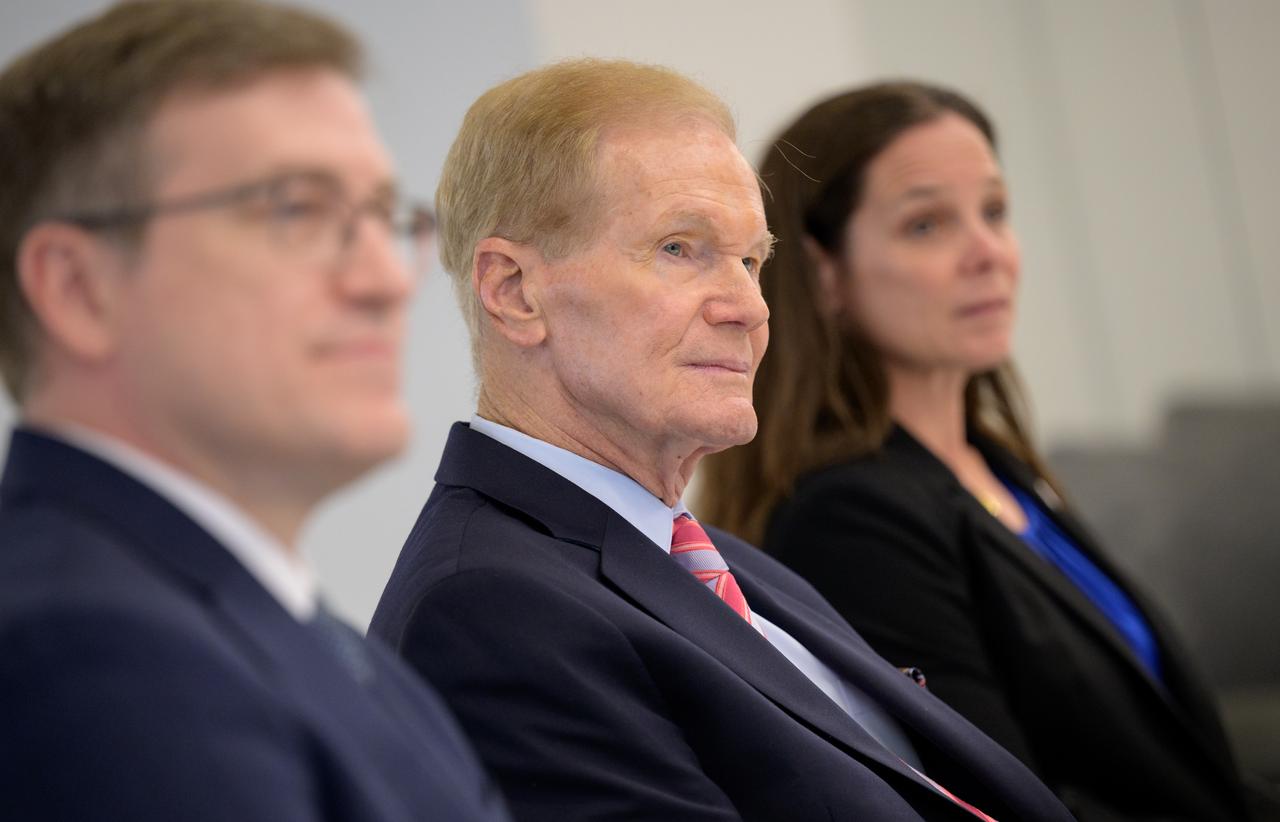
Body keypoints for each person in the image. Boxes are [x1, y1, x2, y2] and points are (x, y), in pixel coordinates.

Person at [370, 59, 1072, 821]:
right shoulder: (488, 609)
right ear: (513, 292)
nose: (749, 307)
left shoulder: (729, 566)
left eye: (752, 261)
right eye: (681, 248)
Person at [698, 81, 1266, 821]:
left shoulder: (996, 468)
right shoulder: (851, 519)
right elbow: (1004, 804)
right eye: (928, 225)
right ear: (825, 273)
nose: (987, 253)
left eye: (994, 212)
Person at [0, 2, 509, 820]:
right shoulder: (90, 656)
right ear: (77, 289)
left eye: (385, 217)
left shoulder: (298, 633)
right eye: (297, 210)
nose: (385, 281)